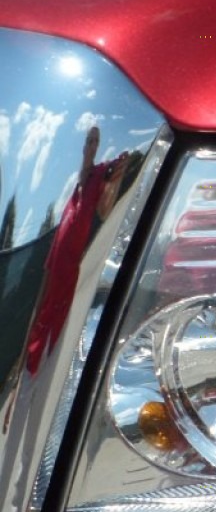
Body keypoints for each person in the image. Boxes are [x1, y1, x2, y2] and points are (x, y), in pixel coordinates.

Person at [25, 127, 128, 374]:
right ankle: (33, 355)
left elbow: (116, 174)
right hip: (61, 240)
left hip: (74, 245)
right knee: (46, 296)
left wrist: (119, 171)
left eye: (96, 141)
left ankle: (45, 356)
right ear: (84, 146)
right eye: (89, 141)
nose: (92, 144)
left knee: (61, 299)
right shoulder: (80, 178)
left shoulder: (101, 171)